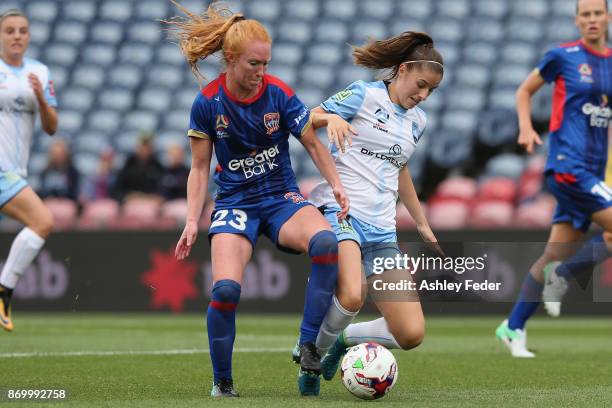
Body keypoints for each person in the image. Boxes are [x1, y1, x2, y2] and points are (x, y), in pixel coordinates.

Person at [167, 2, 349, 397]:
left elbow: (312, 143)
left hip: (281, 197)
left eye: (266, 63)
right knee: (226, 291)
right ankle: (223, 383)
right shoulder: (207, 103)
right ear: (231, 59)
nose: (261, 72)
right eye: (254, 64)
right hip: (234, 203)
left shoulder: (279, 94)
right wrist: (190, 220)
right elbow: (199, 169)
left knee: (325, 242)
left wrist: (334, 183)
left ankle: (307, 345)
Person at [290, 31, 445, 389]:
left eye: (431, 91)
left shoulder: (417, 121)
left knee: (411, 333)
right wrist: (330, 119)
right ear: (402, 70)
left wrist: (421, 221)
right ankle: (309, 364)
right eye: (420, 84)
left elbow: (399, 167)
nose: (423, 95)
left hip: (382, 230)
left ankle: (343, 341)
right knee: (351, 294)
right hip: (342, 213)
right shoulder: (362, 94)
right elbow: (303, 119)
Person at [496, 0, 612, 358]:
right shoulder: (562, 56)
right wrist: (527, 127)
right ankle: (564, 275)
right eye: (585, 14)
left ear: (607, 17)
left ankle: (512, 327)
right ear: (577, 20)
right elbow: (524, 90)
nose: (591, 19)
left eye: (597, 13)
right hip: (567, 165)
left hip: (592, 169)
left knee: (552, 254)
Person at [0, 9, 58, 332]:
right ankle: (4, 290)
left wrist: (42, 100)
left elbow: (51, 128)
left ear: (30, 36)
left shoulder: (39, 72)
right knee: (42, 220)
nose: (17, 36)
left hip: (15, 172)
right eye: (9, 31)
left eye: (22, 30)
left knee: (40, 222)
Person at [113, 132, 164, 202]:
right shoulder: (128, 164)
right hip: (131, 202)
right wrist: (128, 195)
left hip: (151, 203)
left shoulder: (157, 165)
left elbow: (163, 189)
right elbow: (118, 190)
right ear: (137, 147)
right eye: (143, 146)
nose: (145, 150)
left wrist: (156, 196)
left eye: (147, 147)